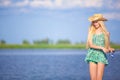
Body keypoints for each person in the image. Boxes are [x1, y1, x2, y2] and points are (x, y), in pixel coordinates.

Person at [85, 14, 115, 80]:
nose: (94, 23)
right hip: (92, 55)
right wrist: (102, 48)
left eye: (96, 21)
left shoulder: (106, 33)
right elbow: (91, 45)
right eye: (93, 22)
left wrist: (111, 49)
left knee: (99, 78)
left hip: (101, 55)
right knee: (93, 78)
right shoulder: (91, 32)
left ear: (101, 21)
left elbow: (107, 47)